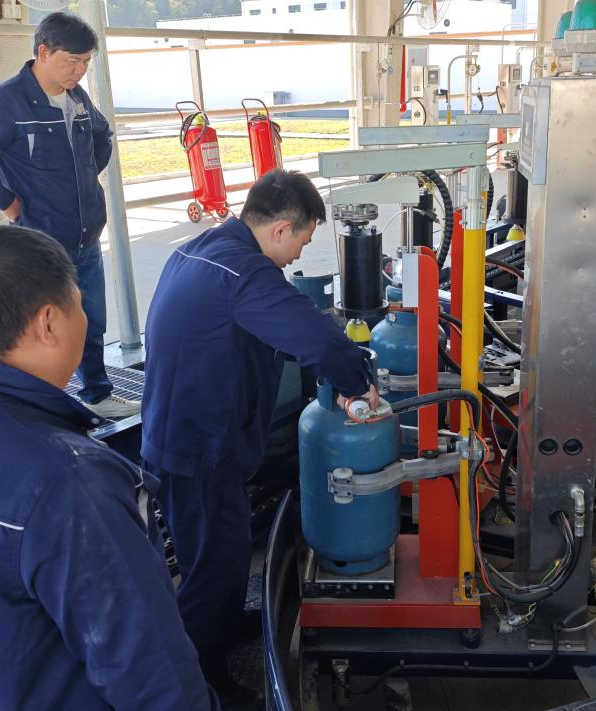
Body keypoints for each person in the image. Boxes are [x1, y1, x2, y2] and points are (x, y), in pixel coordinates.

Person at [0, 225, 217, 710]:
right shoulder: (70, 482)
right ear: (48, 323)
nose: (86, 317)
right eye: (79, 303)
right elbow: (152, 676)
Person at [140, 169, 379, 703]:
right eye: (303, 242)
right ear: (280, 230)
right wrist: (357, 381)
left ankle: (222, 627)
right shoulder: (245, 274)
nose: (297, 257)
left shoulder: (203, 249)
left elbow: (272, 330)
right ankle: (202, 684)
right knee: (213, 568)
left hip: (179, 434)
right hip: (198, 449)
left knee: (217, 555)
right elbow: (318, 338)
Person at [0, 11, 137, 419]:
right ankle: (36, 408)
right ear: (43, 53)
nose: (79, 71)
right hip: (41, 240)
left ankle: (97, 394)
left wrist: (85, 178)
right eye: (71, 61)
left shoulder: (76, 97)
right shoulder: (6, 101)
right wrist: (6, 201)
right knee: (40, 329)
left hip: (85, 234)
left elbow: (101, 135)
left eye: (86, 62)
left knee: (90, 319)